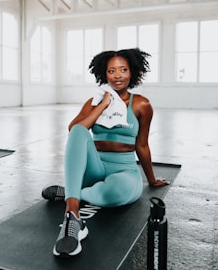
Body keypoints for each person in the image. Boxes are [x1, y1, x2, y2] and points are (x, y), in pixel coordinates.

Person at [42, 48, 169, 257]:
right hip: (95, 168)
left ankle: (72, 193)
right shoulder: (94, 102)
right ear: (104, 73)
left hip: (124, 172)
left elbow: (142, 145)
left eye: (123, 70)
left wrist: (152, 180)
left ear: (132, 72)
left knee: (113, 193)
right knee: (79, 131)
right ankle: (73, 216)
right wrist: (102, 106)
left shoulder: (141, 104)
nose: (117, 75)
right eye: (111, 71)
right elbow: (75, 131)